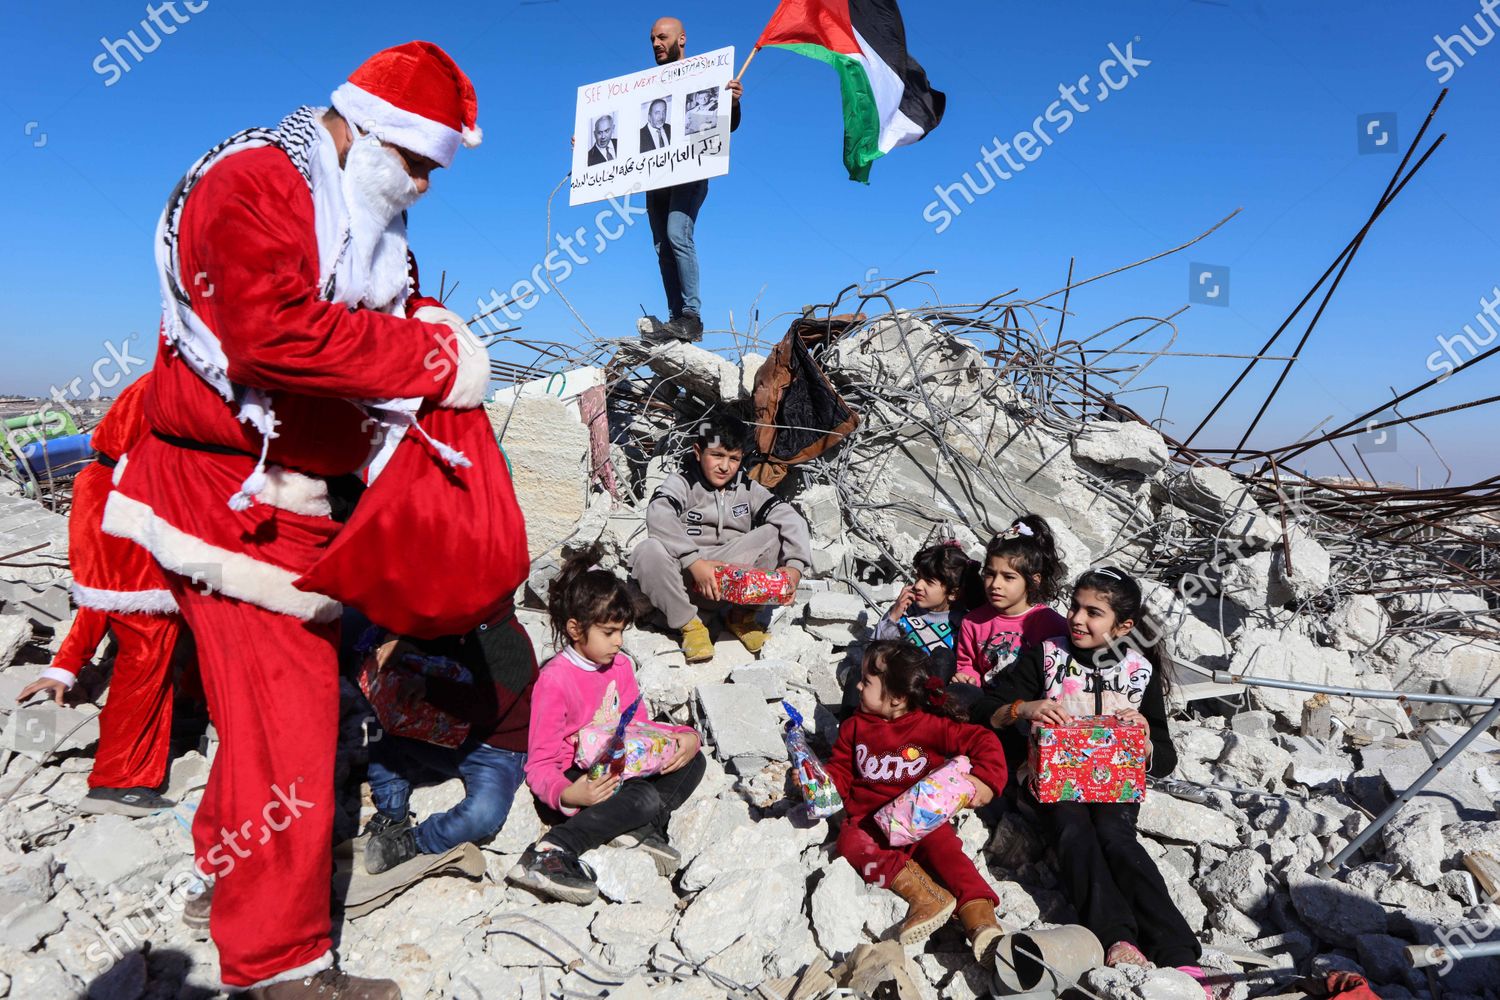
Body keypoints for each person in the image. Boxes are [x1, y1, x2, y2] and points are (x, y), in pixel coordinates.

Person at [101, 41, 492, 1000]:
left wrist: (430, 330)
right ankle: (280, 968)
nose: (424, 186)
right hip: (226, 501)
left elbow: (372, 313)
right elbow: (270, 332)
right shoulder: (252, 186)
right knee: (294, 718)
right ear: (372, 132)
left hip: (287, 502)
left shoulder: (354, 211)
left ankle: (228, 879)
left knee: (265, 709)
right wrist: (432, 365)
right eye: (420, 164)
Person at [978, 568, 1208, 988]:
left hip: (1113, 784)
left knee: (1116, 838)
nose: (1077, 619)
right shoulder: (1046, 657)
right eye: (1074, 607)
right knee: (1072, 832)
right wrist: (1024, 709)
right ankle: (1116, 936)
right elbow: (985, 707)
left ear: (1124, 627)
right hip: (1049, 782)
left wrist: (1143, 736)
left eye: (1093, 613)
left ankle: (1177, 950)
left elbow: (1166, 755)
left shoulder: (1140, 672)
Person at [16, 373, 185, 817]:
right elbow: (98, 590)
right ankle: (118, 780)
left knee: (156, 648)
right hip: (137, 539)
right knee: (146, 649)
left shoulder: (165, 380)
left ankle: (135, 765)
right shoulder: (170, 389)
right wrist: (67, 665)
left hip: (140, 521)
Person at [508, 546, 705, 904]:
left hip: (620, 763)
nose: (619, 642)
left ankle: (638, 827)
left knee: (694, 759)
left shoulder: (620, 667)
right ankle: (552, 849)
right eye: (609, 632)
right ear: (575, 629)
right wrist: (570, 794)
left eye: (621, 632)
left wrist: (686, 738)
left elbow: (642, 728)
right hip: (581, 778)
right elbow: (539, 764)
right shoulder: (555, 680)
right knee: (643, 797)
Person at [826, 641, 1009, 966]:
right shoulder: (854, 726)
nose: (857, 686)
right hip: (873, 821)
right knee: (850, 843)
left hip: (922, 818)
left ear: (896, 698)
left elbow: (982, 739)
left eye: (867, 682)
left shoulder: (929, 725)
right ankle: (924, 896)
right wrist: (822, 784)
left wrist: (985, 780)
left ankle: (980, 919)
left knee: (946, 853)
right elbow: (841, 768)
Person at [360, 600, 539, 874]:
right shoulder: (456, 623)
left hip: (497, 751)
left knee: (485, 813)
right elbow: (426, 642)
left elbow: (486, 707)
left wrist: (429, 688)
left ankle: (415, 841)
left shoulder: (510, 643)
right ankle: (391, 810)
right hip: (446, 735)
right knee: (378, 723)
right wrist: (400, 643)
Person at [630, 410, 811, 664]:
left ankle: (741, 617)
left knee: (775, 532)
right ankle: (689, 626)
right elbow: (658, 514)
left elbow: (790, 518)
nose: (725, 466)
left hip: (728, 582)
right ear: (697, 452)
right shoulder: (682, 483)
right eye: (717, 455)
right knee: (647, 550)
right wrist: (694, 562)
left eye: (733, 458)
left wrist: (794, 570)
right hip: (685, 580)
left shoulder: (747, 488)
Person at [641, 16, 743, 343]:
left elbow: (725, 125)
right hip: (655, 176)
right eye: (652, 39)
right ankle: (675, 320)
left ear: (681, 40)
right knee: (661, 245)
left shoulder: (704, 77)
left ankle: (691, 316)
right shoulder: (646, 87)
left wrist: (733, 104)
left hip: (689, 171)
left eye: (662, 38)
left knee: (676, 233)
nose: (656, 44)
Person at [873, 541, 982, 682]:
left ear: (953, 593)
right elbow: (875, 652)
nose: (918, 585)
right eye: (918, 577)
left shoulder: (964, 625)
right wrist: (893, 616)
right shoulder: (905, 611)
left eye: (929, 582)